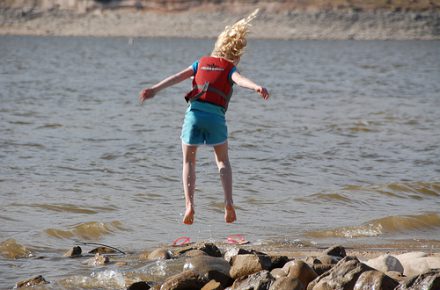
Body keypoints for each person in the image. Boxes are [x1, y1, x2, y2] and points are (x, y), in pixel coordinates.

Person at [139, 9, 269, 225]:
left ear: (218, 46)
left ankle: (189, 204)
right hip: (215, 119)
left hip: (194, 116)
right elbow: (241, 80)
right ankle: (228, 203)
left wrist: (154, 89)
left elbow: (176, 77)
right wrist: (257, 87)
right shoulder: (229, 68)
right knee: (222, 161)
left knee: (189, 160)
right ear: (237, 54)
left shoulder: (200, 63)